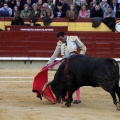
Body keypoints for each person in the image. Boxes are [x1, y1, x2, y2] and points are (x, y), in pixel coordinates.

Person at [47, 31, 87, 104]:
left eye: (61, 39)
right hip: (65, 62)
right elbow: (55, 54)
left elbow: (83, 47)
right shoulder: (59, 43)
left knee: (75, 79)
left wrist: (80, 57)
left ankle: (78, 98)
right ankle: (67, 96)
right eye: (59, 39)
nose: (61, 40)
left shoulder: (74, 38)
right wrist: (49, 63)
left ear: (65, 35)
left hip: (74, 62)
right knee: (65, 80)